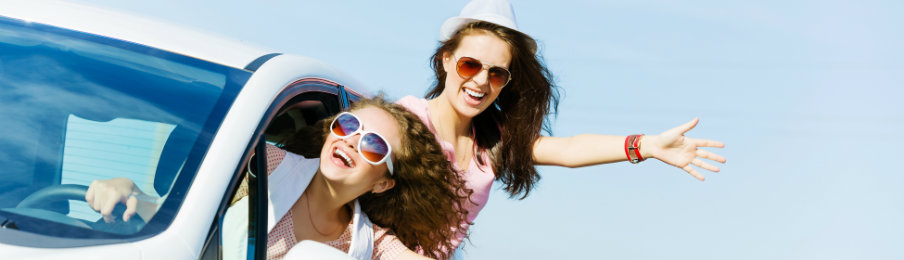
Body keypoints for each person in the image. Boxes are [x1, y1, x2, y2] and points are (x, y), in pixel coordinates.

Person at [395, 0, 728, 254]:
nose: (481, 80)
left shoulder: (493, 142)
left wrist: (646, 145)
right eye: (471, 64)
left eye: (497, 73)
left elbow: (569, 150)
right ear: (447, 59)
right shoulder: (403, 121)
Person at [86, 97, 470, 260]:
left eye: (372, 145)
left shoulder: (369, 242)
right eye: (348, 125)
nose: (351, 141)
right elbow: (186, 213)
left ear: (383, 182)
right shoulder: (264, 164)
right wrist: (129, 190)